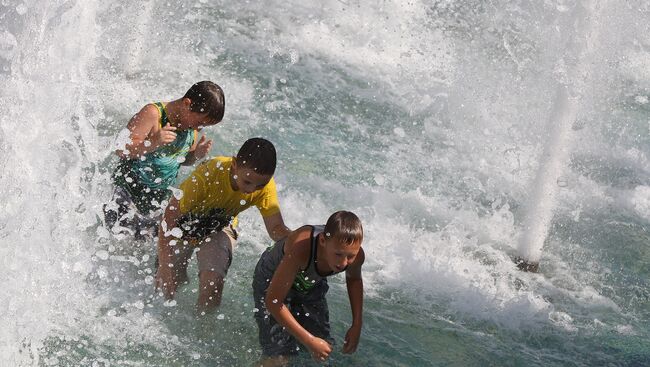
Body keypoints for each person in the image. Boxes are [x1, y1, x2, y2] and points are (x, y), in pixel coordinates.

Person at [155, 137, 291, 312]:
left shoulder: (265, 186)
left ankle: (202, 329)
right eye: (247, 182)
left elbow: (276, 229)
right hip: (183, 225)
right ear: (234, 164)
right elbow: (168, 218)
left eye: (260, 185)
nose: (251, 190)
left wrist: (304, 240)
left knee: (213, 284)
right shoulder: (210, 173)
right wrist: (165, 265)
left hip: (218, 227)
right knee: (167, 284)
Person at [103, 81, 225, 238]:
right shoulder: (153, 114)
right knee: (117, 241)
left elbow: (183, 160)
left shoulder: (191, 130)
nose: (199, 128)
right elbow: (120, 149)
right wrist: (152, 143)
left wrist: (195, 155)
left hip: (156, 200)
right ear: (188, 104)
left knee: (151, 248)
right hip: (126, 192)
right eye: (200, 122)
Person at [252, 211, 365, 366]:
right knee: (280, 356)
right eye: (338, 254)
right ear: (323, 241)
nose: (344, 263)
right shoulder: (301, 248)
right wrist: (309, 339)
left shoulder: (356, 255)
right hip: (271, 279)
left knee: (324, 348)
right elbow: (273, 301)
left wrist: (356, 324)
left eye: (350, 256)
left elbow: (354, 279)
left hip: (309, 283)